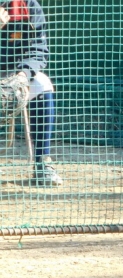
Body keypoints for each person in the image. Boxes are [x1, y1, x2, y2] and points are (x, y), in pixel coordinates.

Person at [0, 0, 62, 186]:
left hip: (14, 74)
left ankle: (42, 164)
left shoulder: (27, 5)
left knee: (42, 83)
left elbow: (39, 51)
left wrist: (23, 75)